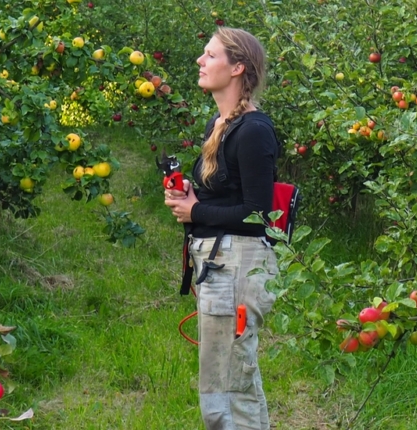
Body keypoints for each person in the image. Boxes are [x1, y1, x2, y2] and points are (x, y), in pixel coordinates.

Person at [164, 27, 280, 430]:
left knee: (231, 382)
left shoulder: (253, 131)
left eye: (210, 55)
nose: (200, 61)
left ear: (237, 68)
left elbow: (259, 213)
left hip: (239, 267)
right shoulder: (220, 122)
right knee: (220, 379)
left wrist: (197, 213)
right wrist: (191, 197)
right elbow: (228, 196)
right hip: (219, 265)